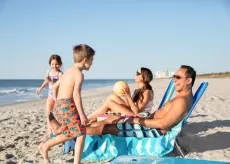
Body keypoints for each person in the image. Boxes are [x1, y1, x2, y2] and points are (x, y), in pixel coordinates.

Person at [86, 65, 196, 137]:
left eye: (178, 77)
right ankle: (83, 127)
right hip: (147, 124)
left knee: (107, 127)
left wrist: (136, 121)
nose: (174, 80)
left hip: (150, 131)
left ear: (188, 80)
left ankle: (77, 133)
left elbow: (162, 124)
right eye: (174, 77)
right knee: (111, 118)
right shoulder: (182, 98)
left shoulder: (182, 101)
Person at [38, 44, 95, 164]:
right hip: (68, 105)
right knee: (81, 134)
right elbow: (76, 95)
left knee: (70, 133)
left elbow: (55, 86)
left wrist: (57, 100)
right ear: (85, 60)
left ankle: (45, 146)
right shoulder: (79, 74)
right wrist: (82, 114)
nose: (92, 63)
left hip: (59, 104)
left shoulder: (68, 71)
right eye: (92, 60)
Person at [87, 67, 154, 121]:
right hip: (132, 111)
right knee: (112, 96)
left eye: (137, 73)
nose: (135, 75)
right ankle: (92, 118)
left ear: (143, 77)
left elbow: (137, 111)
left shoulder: (146, 92)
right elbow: (128, 106)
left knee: (109, 103)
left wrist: (128, 97)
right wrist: (127, 95)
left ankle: (87, 119)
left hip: (140, 116)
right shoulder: (137, 89)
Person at [36, 54, 63, 135]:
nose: (54, 66)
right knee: (48, 113)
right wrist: (40, 89)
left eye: (56, 64)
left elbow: (60, 85)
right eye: (52, 64)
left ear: (60, 64)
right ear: (50, 64)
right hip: (50, 96)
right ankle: (50, 130)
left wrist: (51, 82)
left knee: (58, 114)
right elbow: (46, 82)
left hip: (58, 96)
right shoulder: (49, 72)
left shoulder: (60, 74)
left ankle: (58, 129)